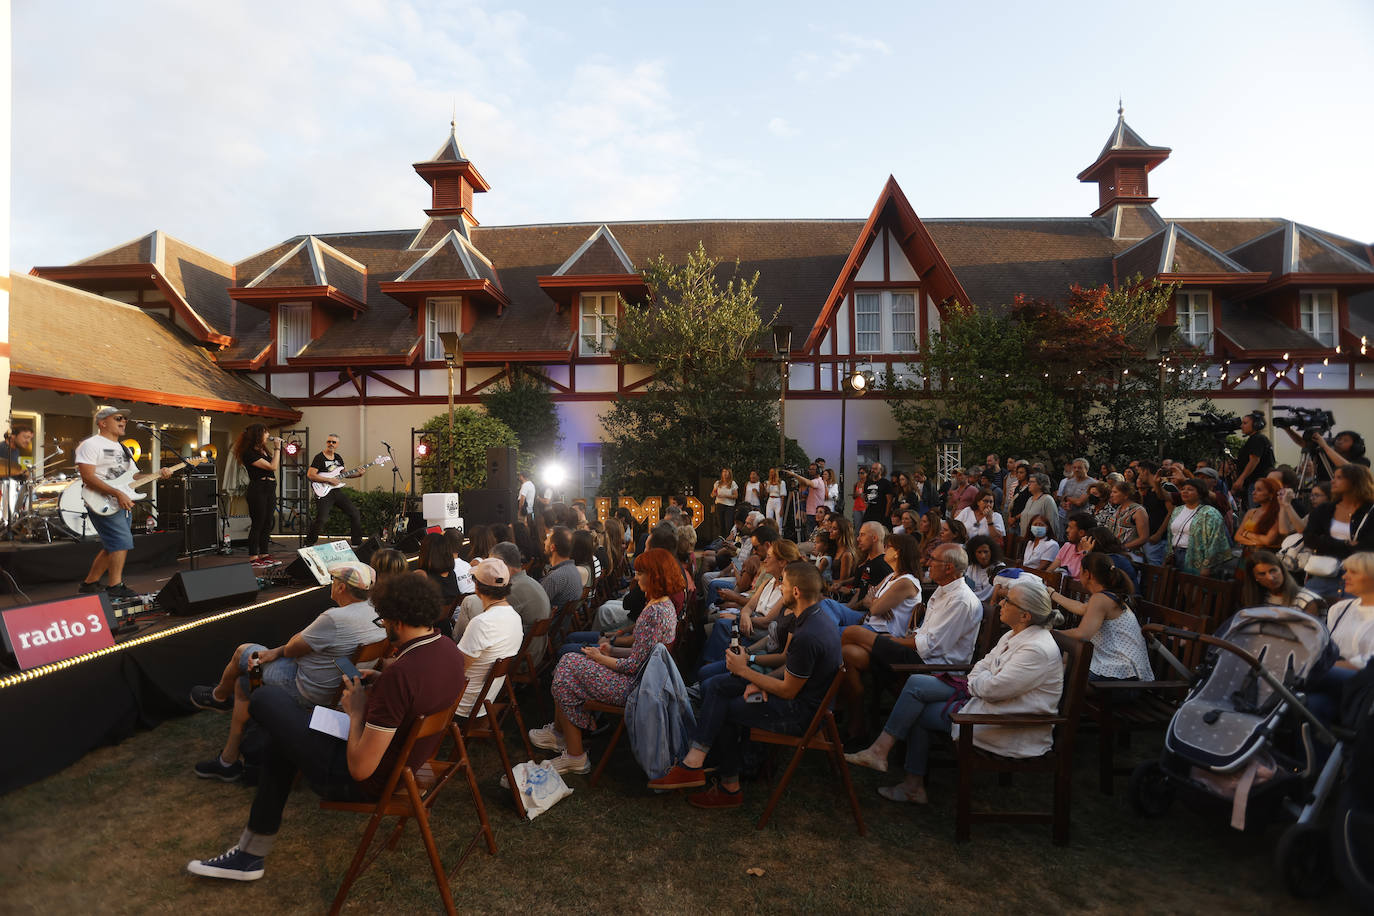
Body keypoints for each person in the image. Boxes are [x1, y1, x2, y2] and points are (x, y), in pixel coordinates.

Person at [186, 573, 465, 882]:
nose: (383, 626)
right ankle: (250, 851)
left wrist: (357, 712)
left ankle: (250, 849)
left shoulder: (402, 676)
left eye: (384, 620)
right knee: (284, 736)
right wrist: (380, 681)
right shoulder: (448, 650)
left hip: (362, 781)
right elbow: (414, 696)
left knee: (265, 698)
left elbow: (360, 769)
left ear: (397, 621)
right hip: (406, 764)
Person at [844, 577, 1065, 804]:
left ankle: (892, 764)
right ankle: (901, 773)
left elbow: (992, 688)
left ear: (1025, 616)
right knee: (917, 689)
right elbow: (983, 664)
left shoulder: (1036, 650)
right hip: (988, 703)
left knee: (917, 696)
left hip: (1010, 724)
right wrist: (981, 677)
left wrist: (978, 679)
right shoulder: (1013, 634)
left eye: (1009, 601)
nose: (1002, 603)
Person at [648, 562, 840, 808]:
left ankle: (727, 786)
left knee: (727, 708)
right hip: (799, 697)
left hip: (802, 714)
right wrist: (760, 680)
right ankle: (695, 761)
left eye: (784, 584)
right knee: (719, 687)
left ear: (796, 592)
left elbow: (789, 690)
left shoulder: (808, 635)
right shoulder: (815, 618)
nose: (779, 588)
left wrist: (745, 671)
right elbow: (791, 675)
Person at [187, 563, 386, 782]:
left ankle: (220, 697)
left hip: (308, 689)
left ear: (341, 588)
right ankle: (228, 759)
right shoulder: (377, 611)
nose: (332, 585)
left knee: (244, 653)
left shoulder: (335, 619)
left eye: (334, 581)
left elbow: (292, 648)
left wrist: (279, 651)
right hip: (339, 687)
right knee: (244, 682)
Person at [530, 548, 681, 774]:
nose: (636, 577)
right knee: (569, 663)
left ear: (655, 576)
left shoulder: (655, 612)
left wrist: (601, 656)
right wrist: (610, 650)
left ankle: (574, 753)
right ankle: (563, 736)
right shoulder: (663, 605)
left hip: (635, 689)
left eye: (641, 573)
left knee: (567, 668)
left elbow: (634, 666)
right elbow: (642, 654)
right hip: (643, 682)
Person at [841, 542, 982, 737]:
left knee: (851, 633)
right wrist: (897, 640)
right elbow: (923, 633)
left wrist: (893, 641)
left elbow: (931, 646)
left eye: (933, 560)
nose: (927, 563)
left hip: (933, 666)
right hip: (918, 654)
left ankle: (824, 700)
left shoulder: (960, 600)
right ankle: (856, 723)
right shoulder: (943, 591)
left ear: (949, 568)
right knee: (848, 653)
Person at [75, 407, 173, 598]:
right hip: (101, 499)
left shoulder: (123, 448)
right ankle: (115, 586)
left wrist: (158, 474)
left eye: (125, 419)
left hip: (120, 500)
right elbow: (87, 477)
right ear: (102, 423)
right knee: (121, 542)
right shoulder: (91, 445)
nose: (124, 421)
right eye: (118, 418)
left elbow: (134, 475)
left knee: (113, 544)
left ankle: (90, 583)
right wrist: (117, 493)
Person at [1048, 553, 1152, 683]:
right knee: (1060, 663)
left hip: (1121, 677)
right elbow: (1081, 608)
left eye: (1080, 570)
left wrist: (1047, 633)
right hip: (1128, 674)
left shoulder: (1100, 599)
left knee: (1055, 671)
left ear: (1087, 574)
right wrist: (1052, 593)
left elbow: (1082, 634)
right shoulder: (1108, 597)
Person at [1306, 553, 1374, 725]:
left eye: (1354, 572)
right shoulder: (1340, 608)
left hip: (1365, 681)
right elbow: (1324, 646)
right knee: (1312, 705)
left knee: (1302, 673)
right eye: (1346, 571)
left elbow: (1367, 664)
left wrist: (1323, 665)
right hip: (1332, 675)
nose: (1344, 576)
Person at [454, 558, 524, 717]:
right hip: (485, 700)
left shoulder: (481, 623)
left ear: (477, 586)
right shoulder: (515, 617)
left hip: (463, 704)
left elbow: (457, 669)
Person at [1296, 464, 1374, 598]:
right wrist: (1345, 544)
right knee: (1305, 605)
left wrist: (1326, 543)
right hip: (1324, 572)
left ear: (1355, 481)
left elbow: (1369, 545)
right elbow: (1309, 538)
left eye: (1339, 478)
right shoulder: (1325, 509)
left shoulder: (1370, 512)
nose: (1333, 481)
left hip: (1359, 575)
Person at [304, 434, 364, 547]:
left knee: (354, 513)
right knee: (321, 519)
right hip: (323, 492)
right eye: (329, 441)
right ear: (326, 443)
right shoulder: (319, 457)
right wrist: (329, 480)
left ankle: (356, 543)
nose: (331, 444)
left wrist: (358, 475)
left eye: (334, 442)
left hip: (336, 491)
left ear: (337, 445)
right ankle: (308, 543)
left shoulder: (338, 458)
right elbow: (310, 475)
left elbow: (343, 474)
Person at [1167, 478, 1232, 577]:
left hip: (1196, 557)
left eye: (1190, 489)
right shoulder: (1177, 510)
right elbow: (1171, 535)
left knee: (1193, 589)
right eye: (1183, 489)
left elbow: (1215, 541)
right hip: (1176, 555)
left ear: (1200, 493)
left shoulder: (1210, 512)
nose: (1185, 491)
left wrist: (1207, 565)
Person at [1232, 412, 1275, 507]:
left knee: (1256, 514)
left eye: (1245, 423)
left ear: (1256, 425)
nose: (1241, 426)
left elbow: (1254, 460)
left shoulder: (1257, 439)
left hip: (1257, 483)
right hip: (1255, 483)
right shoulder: (1256, 439)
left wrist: (1240, 479)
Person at [1234, 476, 1283, 552]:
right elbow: (1237, 536)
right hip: (1249, 553)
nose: (1253, 493)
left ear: (1271, 494)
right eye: (1254, 489)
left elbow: (1268, 540)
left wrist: (1246, 533)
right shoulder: (1251, 512)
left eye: (1259, 490)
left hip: (1267, 556)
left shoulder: (1278, 513)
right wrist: (1254, 543)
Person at [541, 525, 583, 609]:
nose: (544, 542)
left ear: (552, 547)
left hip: (551, 621)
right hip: (564, 621)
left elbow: (537, 606)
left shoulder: (554, 578)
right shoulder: (574, 570)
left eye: (547, 539)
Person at [1108, 480, 1150, 561]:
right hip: (1114, 554)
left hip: (1131, 555)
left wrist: (1122, 547)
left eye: (1115, 492)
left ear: (1125, 495)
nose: (1111, 495)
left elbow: (1144, 538)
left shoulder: (1138, 511)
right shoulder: (1118, 508)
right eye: (1111, 492)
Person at [963, 534, 1006, 605]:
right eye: (979, 552)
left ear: (991, 552)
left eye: (986, 552)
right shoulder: (971, 567)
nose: (983, 556)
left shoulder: (999, 568)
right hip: (969, 602)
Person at [1020, 472, 1061, 540]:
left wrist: (1050, 541)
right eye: (1029, 482)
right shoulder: (1030, 499)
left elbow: (1052, 523)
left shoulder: (1047, 499)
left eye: (1032, 482)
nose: (1028, 484)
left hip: (1041, 541)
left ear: (1041, 485)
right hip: (1026, 540)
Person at [1052, 513, 1093, 580]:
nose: (1067, 530)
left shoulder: (1091, 553)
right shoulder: (1067, 546)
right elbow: (1051, 570)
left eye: (1070, 528)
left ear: (1081, 533)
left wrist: (1087, 553)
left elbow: (1085, 581)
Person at [863, 461, 895, 525]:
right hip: (869, 513)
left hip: (881, 514)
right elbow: (865, 496)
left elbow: (889, 501)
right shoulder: (867, 483)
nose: (872, 470)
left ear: (880, 471)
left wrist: (886, 516)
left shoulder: (886, 483)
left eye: (875, 469)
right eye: (872, 468)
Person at [710, 468, 738, 538]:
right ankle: (721, 541)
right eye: (723, 472)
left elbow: (736, 496)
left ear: (729, 473)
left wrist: (725, 496)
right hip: (719, 505)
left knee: (728, 524)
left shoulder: (732, 483)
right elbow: (712, 494)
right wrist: (714, 494)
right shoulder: (717, 483)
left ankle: (729, 541)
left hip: (729, 506)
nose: (725, 473)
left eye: (727, 472)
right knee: (720, 525)